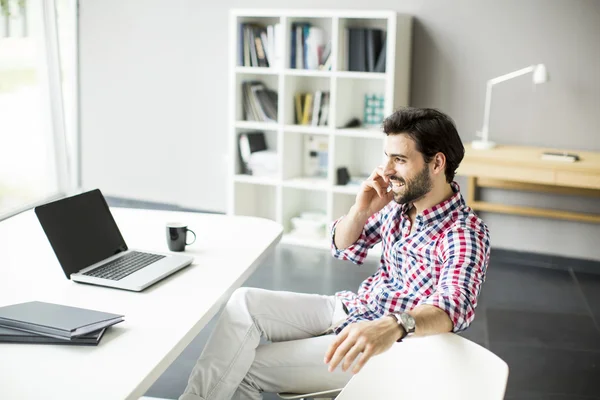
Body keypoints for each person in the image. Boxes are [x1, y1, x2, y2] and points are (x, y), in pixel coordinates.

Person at [180, 107, 491, 400]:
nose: (385, 170)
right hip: (352, 308)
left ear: (436, 163)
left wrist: (392, 325)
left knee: (244, 366)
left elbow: (455, 306)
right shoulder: (399, 206)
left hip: (389, 346)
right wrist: (360, 210)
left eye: (399, 159)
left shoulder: (462, 232)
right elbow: (342, 247)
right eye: (386, 158)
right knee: (244, 303)